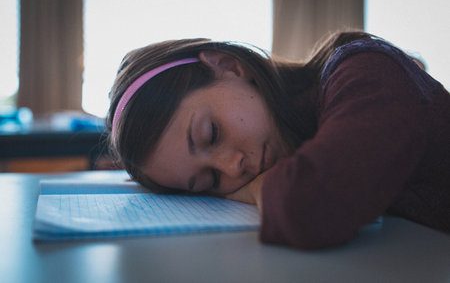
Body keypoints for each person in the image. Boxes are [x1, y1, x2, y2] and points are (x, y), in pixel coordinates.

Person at [106, 31, 450, 249]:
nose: (233, 168)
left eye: (212, 133)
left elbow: (313, 206)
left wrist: (256, 189)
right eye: (209, 180)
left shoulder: (364, 68)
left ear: (230, 65)